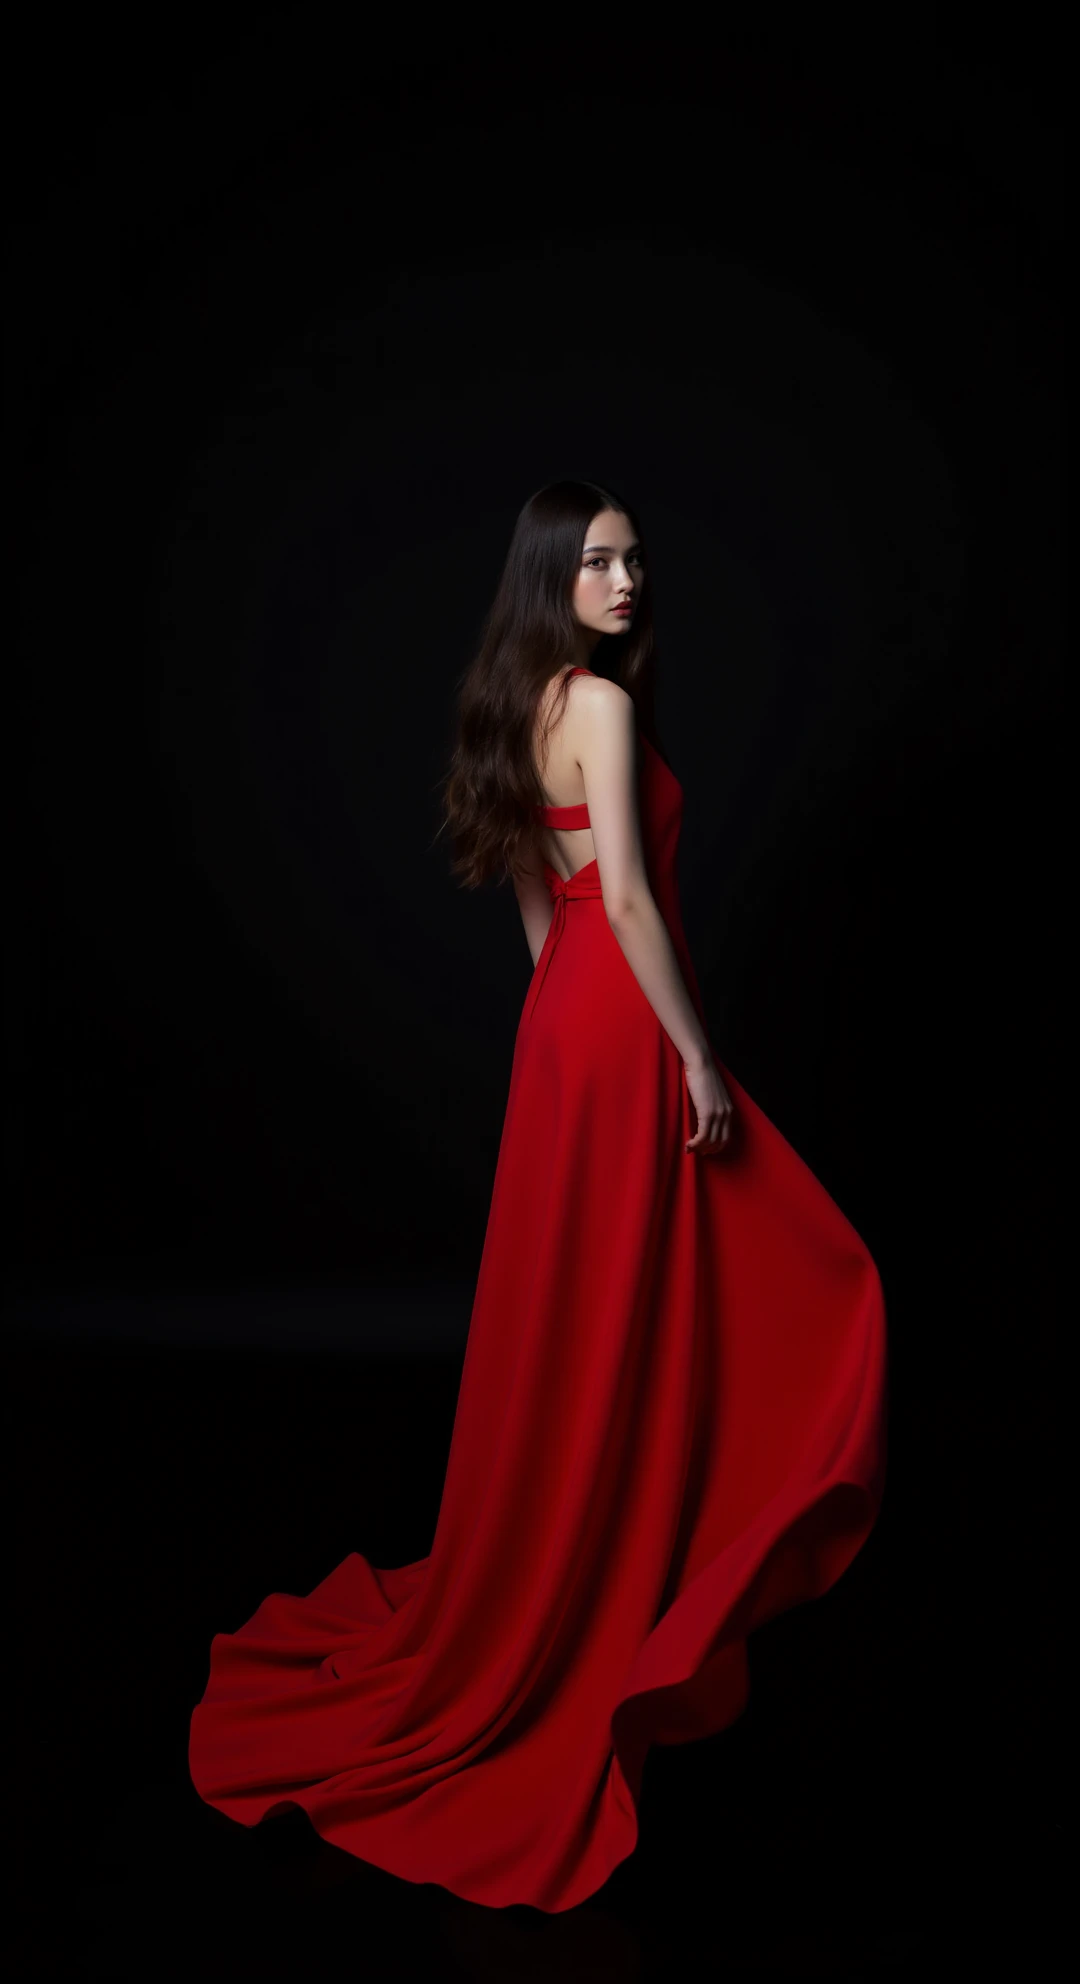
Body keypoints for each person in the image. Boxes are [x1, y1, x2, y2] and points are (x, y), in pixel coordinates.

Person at [188, 477, 888, 1916]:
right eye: (598, 563)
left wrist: (570, 1033)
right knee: (804, 1285)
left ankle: (610, 1555)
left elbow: (539, 896)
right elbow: (625, 895)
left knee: (600, 1313)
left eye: (635, 559)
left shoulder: (523, 704)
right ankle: (636, 1571)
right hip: (625, 1018)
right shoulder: (608, 711)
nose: (628, 581)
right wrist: (690, 1052)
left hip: (564, 1027)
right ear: (549, 579)